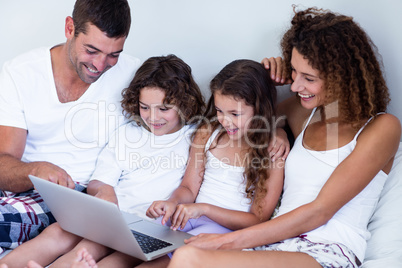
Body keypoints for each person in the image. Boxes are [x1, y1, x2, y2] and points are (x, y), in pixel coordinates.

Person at [166, 7, 401, 268]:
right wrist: (272, 105)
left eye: (308, 78)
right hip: (276, 246)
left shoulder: (382, 127)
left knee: (189, 258)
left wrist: (226, 242)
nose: (295, 86)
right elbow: (256, 113)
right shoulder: (303, 113)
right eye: (294, 72)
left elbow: (320, 211)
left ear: (340, 78)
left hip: (325, 252)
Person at [0, 54, 206, 267]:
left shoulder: (194, 137)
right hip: (114, 217)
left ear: (184, 102)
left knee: (88, 249)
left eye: (164, 109)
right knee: (58, 232)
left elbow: (188, 188)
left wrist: (172, 203)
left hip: (150, 225)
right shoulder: (128, 133)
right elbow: (100, 181)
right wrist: (105, 192)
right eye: (145, 107)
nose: (153, 117)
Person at [0, 0, 140, 252]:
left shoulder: (134, 75)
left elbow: (179, 119)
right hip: (22, 184)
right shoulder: (19, 74)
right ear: (69, 28)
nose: (100, 65)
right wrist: (37, 170)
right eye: (91, 50)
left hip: (72, 198)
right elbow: (3, 163)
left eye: (113, 55)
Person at [136, 59, 285, 268]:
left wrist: (204, 209)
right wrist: (173, 202)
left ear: (259, 109)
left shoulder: (271, 153)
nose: (225, 120)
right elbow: (188, 187)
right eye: (219, 110)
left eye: (235, 114)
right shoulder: (208, 133)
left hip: (225, 231)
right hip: (189, 217)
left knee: (159, 262)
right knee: (135, 247)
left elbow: (258, 219)